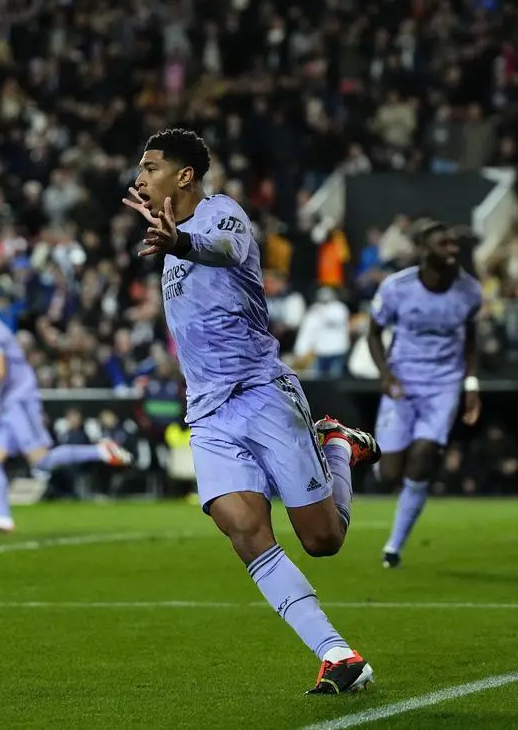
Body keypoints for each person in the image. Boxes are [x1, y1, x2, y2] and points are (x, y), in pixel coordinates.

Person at [123, 127, 380, 695]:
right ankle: (337, 653)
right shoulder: (168, 240)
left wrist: (182, 244)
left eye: (151, 165)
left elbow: (228, 251)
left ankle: (336, 444)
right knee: (242, 529)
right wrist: (174, 244)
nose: (139, 176)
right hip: (209, 414)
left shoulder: (221, 215)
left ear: (185, 176)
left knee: (322, 540)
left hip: (262, 393)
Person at [0, 282, 132, 534]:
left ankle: (101, 451)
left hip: (20, 400)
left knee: (42, 460)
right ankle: (2, 519)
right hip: (8, 403)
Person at [366, 220, 482, 568]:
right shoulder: (396, 288)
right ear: (423, 250)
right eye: (444, 244)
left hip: (444, 384)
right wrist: (385, 376)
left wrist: (471, 385)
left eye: (454, 243)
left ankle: (393, 547)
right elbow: (373, 334)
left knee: (424, 454)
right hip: (402, 382)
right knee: (389, 474)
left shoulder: (470, 290)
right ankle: (389, 473)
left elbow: (472, 341)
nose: (453, 249)